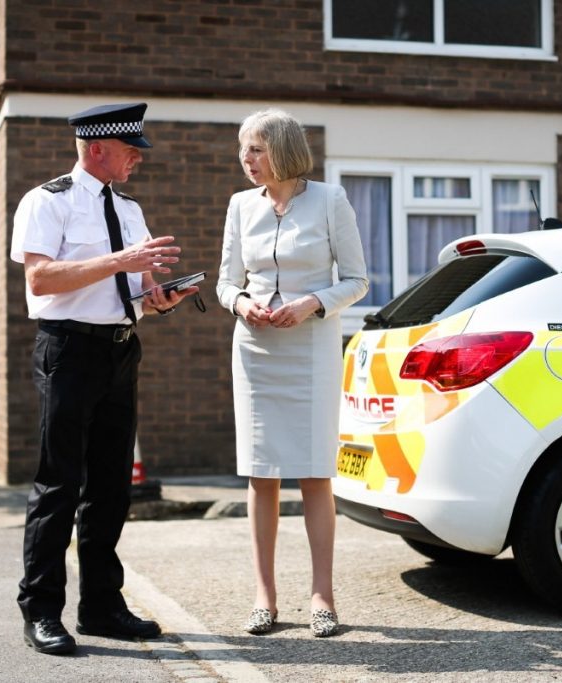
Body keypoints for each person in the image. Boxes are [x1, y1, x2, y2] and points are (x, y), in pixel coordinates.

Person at [10, 102, 198, 655]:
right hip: (67, 350)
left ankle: (101, 606)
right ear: (97, 149)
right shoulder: (47, 201)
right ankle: (42, 611)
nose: (138, 157)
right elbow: (41, 279)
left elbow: (135, 294)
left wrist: (164, 299)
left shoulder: (130, 209)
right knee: (58, 484)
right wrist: (122, 260)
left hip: (120, 351)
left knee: (112, 487)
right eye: (129, 148)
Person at [216, 109, 369, 638]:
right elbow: (224, 283)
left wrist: (313, 304)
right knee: (261, 475)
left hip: (311, 349)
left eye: (255, 148)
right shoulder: (239, 205)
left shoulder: (330, 200)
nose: (245, 159)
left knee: (313, 473)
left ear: (281, 149)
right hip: (256, 349)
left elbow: (357, 281)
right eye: (243, 149)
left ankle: (322, 597)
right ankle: (265, 598)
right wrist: (241, 304)